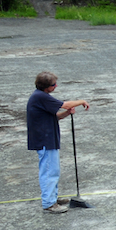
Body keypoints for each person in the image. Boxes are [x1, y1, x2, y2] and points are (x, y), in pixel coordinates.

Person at [27, 72, 90, 213]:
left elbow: (54, 117)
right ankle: (49, 203)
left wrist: (67, 114)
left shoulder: (42, 97)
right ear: (47, 87)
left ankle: (52, 198)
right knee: (49, 171)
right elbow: (65, 104)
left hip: (48, 138)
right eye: (54, 84)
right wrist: (81, 101)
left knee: (53, 170)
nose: (56, 86)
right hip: (45, 139)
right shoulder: (41, 96)